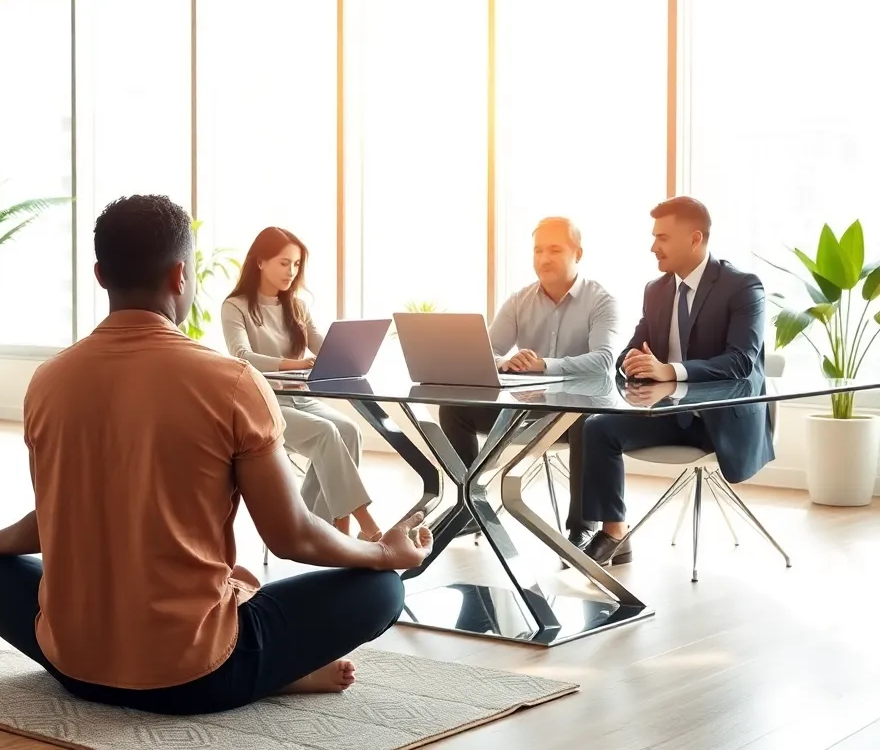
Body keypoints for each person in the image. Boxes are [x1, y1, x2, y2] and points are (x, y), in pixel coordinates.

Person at [0, 195, 432, 716]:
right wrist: (384, 554)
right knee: (382, 592)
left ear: (100, 275)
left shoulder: (46, 382)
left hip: (75, 666)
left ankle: (252, 666)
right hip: (195, 676)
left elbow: (58, 513)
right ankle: (269, 672)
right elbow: (292, 536)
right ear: (181, 276)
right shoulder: (233, 383)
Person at [580, 196, 772, 565]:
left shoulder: (743, 286)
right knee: (597, 427)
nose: (653, 246)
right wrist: (633, 363)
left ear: (695, 238)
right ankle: (614, 533)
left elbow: (741, 362)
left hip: (719, 421)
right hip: (669, 414)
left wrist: (671, 371)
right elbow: (631, 352)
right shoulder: (656, 290)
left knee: (599, 426)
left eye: (663, 237)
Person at [426, 216, 621, 547]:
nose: (544, 258)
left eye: (555, 249)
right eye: (538, 250)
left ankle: (581, 525)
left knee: (586, 420)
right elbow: (485, 353)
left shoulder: (600, 300)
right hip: (527, 408)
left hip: (575, 411)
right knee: (454, 408)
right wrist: (506, 362)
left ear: (579, 253)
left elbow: (603, 361)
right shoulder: (519, 300)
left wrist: (543, 365)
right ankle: (470, 507)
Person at [219, 226, 384, 542]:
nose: (291, 272)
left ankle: (320, 524)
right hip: (264, 405)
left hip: (302, 398)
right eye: (284, 263)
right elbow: (241, 355)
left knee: (350, 431)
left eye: (296, 265)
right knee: (326, 433)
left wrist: (351, 351)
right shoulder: (235, 306)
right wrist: (297, 363)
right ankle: (366, 525)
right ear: (260, 262)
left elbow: (320, 345)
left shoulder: (297, 306)